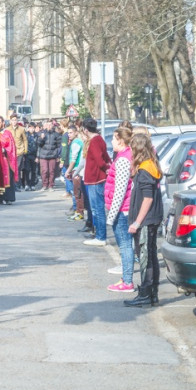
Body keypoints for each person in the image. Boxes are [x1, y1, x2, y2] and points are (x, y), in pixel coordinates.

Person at [124, 133, 164, 307]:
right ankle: (152, 293)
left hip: (146, 220)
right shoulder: (149, 165)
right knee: (151, 256)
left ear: (137, 149)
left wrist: (137, 222)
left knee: (145, 257)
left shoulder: (145, 170)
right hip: (151, 219)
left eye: (132, 148)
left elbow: (147, 198)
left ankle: (146, 294)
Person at [104, 127, 135, 293]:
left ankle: (128, 281)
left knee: (125, 246)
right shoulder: (124, 156)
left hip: (122, 210)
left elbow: (120, 190)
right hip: (122, 209)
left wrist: (111, 215)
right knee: (125, 245)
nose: (111, 141)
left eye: (114, 138)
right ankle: (125, 278)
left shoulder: (123, 159)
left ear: (121, 141)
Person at [82, 118, 111, 247]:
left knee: (97, 209)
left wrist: (106, 168)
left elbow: (100, 161)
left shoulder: (94, 141)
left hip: (95, 179)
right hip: (97, 179)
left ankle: (100, 236)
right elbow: (106, 156)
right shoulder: (100, 139)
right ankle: (100, 235)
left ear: (85, 130)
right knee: (97, 209)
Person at [0, 116, 17, 205]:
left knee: (7, 178)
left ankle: (8, 198)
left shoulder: (7, 134)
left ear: (3, 123)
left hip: (6, 160)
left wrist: (4, 149)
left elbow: (12, 146)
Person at [36, 121, 61, 191]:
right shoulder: (42, 133)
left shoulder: (56, 134)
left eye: (50, 125)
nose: (49, 126)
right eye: (48, 125)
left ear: (52, 125)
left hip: (53, 155)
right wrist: (41, 138)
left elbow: (59, 146)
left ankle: (51, 185)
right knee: (44, 171)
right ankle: (44, 185)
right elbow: (38, 144)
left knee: (52, 171)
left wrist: (58, 156)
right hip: (43, 155)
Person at [10, 115, 28, 191]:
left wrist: (25, 150)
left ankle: (17, 185)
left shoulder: (21, 129)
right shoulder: (7, 129)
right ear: (10, 121)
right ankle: (13, 185)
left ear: (17, 121)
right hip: (10, 152)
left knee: (17, 169)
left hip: (19, 151)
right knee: (12, 169)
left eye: (15, 120)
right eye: (13, 120)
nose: (14, 121)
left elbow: (25, 140)